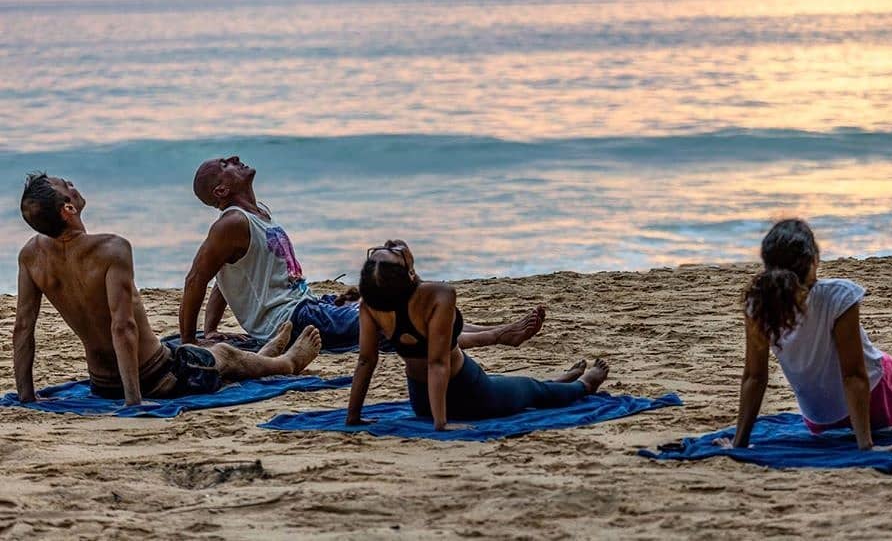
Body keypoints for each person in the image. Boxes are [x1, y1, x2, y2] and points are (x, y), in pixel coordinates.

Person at [14, 173, 323, 405]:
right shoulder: (111, 249)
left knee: (193, 350)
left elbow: (23, 328)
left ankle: (263, 355)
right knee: (222, 354)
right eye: (66, 185)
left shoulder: (31, 256)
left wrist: (27, 396)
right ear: (68, 208)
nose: (73, 184)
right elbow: (123, 327)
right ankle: (286, 363)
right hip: (158, 377)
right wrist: (133, 402)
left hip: (102, 385)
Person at [181, 156, 546, 350]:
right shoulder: (231, 223)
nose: (235, 158)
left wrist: (211, 329)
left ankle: (493, 330)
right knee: (390, 321)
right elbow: (197, 278)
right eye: (224, 164)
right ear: (221, 190)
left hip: (310, 305)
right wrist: (189, 341)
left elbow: (228, 280)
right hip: (291, 320)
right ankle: (496, 337)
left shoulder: (258, 216)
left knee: (399, 299)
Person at [727, 218, 892, 451]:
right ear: (814, 260)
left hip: (819, 420)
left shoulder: (757, 304)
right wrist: (866, 446)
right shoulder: (837, 295)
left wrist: (739, 443)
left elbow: (754, 377)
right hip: (877, 398)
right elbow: (853, 375)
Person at [346, 241, 609, 429]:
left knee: (512, 383)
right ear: (409, 272)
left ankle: (554, 379)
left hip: (422, 401)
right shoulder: (440, 295)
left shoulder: (373, 303)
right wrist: (441, 424)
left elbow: (366, 361)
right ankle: (584, 384)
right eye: (392, 252)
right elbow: (437, 363)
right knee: (532, 390)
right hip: (470, 393)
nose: (392, 244)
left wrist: (353, 417)